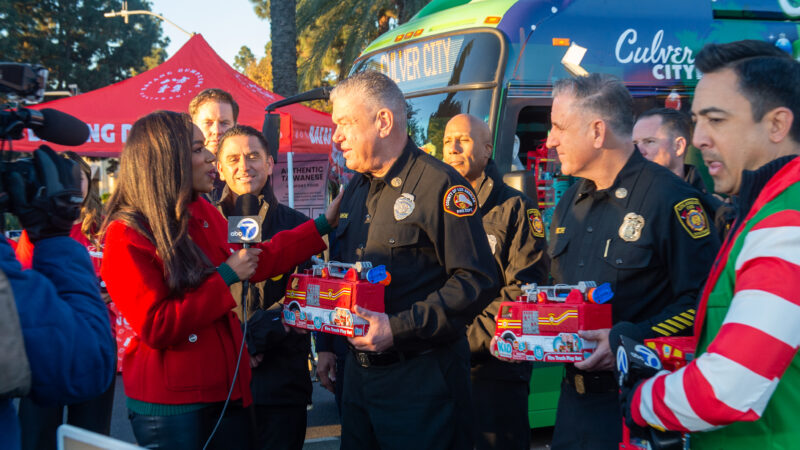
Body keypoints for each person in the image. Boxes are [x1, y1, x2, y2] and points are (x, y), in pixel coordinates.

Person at [100, 111, 338, 449]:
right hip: (175, 409)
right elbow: (157, 325)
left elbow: (253, 260)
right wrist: (226, 276)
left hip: (229, 391)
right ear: (168, 160)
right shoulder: (127, 234)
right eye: (198, 149)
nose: (210, 156)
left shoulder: (202, 211)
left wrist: (321, 226)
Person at [621, 41, 800, 449]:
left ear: (776, 125)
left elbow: (725, 390)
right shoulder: (762, 211)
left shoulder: (787, 223)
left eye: (716, 120)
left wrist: (642, 400)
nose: (698, 138)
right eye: (696, 120)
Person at [544, 73, 719, 449]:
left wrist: (629, 338)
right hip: (573, 405)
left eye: (558, 127)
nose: (550, 140)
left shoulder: (671, 199)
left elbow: (704, 304)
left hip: (639, 406)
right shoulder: (570, 200)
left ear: (597, 132)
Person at [329, 71, 498, 449]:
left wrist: (399, 327)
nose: (337, 136)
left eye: (345, 123)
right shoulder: (355, 188)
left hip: (422, 384)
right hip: (358, 382)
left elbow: (476, 279)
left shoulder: (443, 185)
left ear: (384, 121)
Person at [443, 114, 549, 450]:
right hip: (443, 365)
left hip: (497, 368)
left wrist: (463, 340)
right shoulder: (437, 205)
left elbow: (523, 291)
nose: (454, 148)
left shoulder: (516, 208)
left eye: (465, 140)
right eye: (447, 141)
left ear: (488, 149)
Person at [0, 146, 115, 450]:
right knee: (38, 431)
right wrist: (53, 237)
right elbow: (27, 283)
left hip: (98, 333)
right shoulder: (36, 232)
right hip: (56, 343)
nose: (72, 186)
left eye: (77, 178)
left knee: (90, 434)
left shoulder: (104, 227)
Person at [214, 124, 313, 450]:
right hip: (222, 388)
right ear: (220, 168)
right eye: (234, 159)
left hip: (281, 384)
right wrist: (238, 344)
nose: (244, 166)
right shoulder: (203, 228)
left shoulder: (297, 225)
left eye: (253, 156)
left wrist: (254, 339)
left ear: (270, 163)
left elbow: (305, 297)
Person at [189, 88, 238, 156]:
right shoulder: (176, 165)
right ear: (193, 125)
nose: (216, 131)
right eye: (208, 123)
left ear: (235, 127)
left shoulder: (247, 165)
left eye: (224, 123)